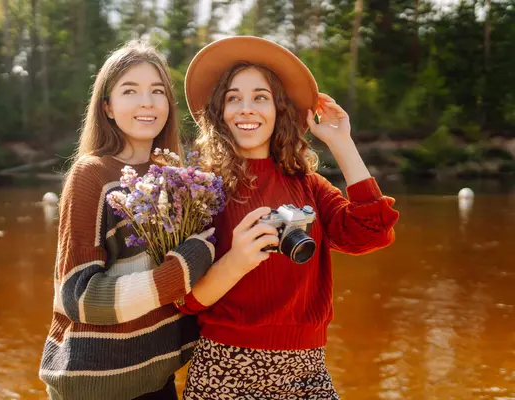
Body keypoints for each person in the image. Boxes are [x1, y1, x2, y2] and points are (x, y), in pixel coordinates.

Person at [175, 36, 400, 399]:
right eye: (234, 98)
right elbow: (183, 299)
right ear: (219, 112)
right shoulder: (200, 189)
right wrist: (237, 261)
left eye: (260, 97)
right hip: (224, 368)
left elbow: (370, 233)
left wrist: (342, 143)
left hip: (306, 370)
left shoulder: (309, 185)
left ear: (279, 109)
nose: (247, 108)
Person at [38, 41, 215, 400]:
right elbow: (80, 297)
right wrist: (185, 266)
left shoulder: (174, 176)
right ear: (108, 107)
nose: (146, 102)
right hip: (95, 386)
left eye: (157, 91)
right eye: (130, 90)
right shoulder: (92, 174)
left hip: (156, 378)